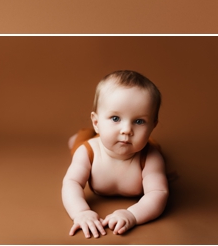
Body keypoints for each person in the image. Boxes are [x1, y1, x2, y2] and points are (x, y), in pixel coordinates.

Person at [62, 70, 167, 238]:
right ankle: (85, 133)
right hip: (96, 144)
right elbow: (71, 183)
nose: (126, 130)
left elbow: (158, 193)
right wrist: (80, 212)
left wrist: (132, 215)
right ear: (96, 122)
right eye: (116, 118)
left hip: (141, 146)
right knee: (79, 142)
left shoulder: (151, 158)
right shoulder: (88, 152)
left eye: (139, 121)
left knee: (154, 146)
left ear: (153, 126)